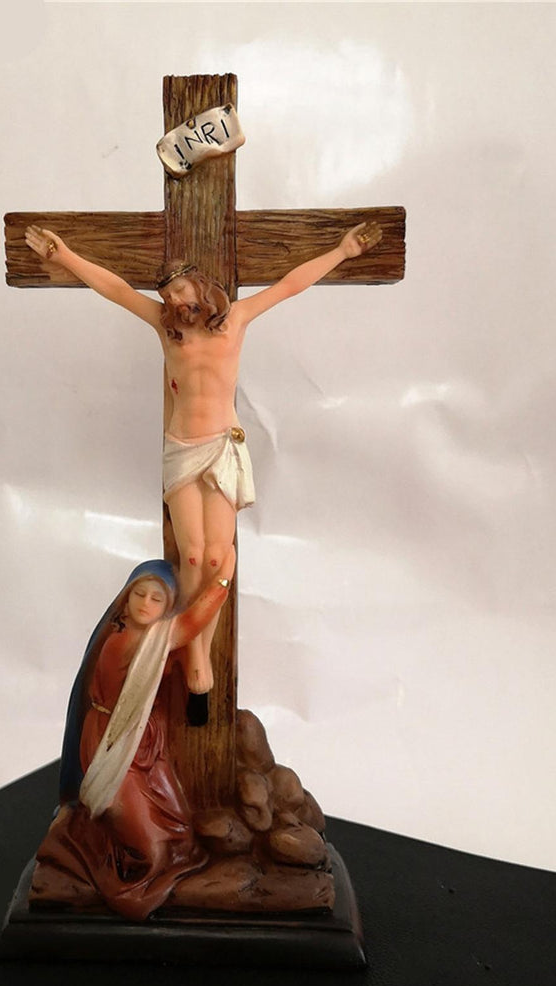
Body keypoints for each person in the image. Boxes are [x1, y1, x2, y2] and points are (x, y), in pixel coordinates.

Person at [24, 220, 382, 696]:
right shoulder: (166, 328)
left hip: (222, 446)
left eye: (179, 290)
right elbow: (115, 289)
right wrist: (64, 256)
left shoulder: (236, 320)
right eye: (167, 295)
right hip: (182, 448)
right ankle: (193, 648)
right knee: (192, 555)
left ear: (198, 284)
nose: (174, 300)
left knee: (217, 556)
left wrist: (342, 251)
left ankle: (198, 647)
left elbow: (289, 285)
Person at [33, 553, 235, 921]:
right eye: (139, 594)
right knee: (150, 853)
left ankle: (106, 828)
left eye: (157, 599)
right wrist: (222, 577)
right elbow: (192, 622)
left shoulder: (153, 640)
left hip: (146, 745)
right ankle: (88, 843)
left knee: (179, 831)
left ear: (166, 607)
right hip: (113, 742)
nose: (145, 603)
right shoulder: (126, 642)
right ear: (125, 598)